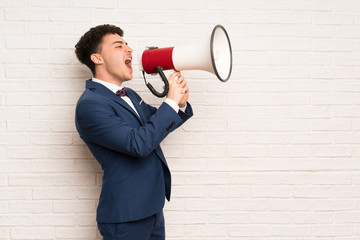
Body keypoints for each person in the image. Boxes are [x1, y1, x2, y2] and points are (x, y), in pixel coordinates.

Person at [74, 24, 193, 240]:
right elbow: (138, 144)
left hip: (151, 208)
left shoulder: (129, 93)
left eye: (127, 44)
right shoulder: (91, 105)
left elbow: (155, 126)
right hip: (126, 216)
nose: (129, 49)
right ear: (97, 58)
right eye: (119, 46)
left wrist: (180, 104)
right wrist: (171, 102)